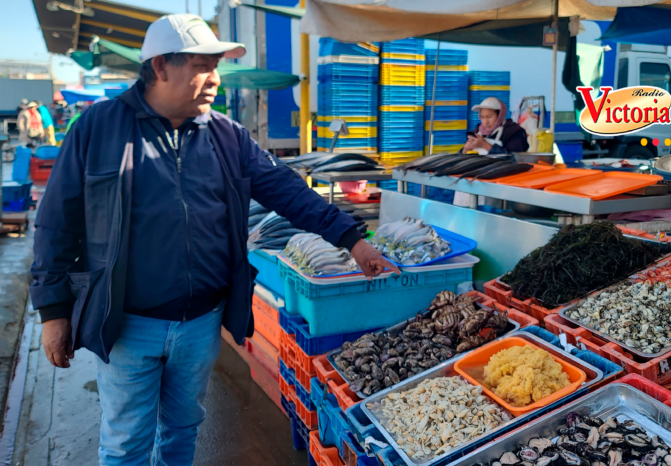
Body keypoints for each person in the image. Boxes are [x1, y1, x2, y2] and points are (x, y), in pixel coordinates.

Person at [30, 14, 398, 466]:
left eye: (217, 66)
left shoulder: (226, 135)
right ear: (162, 66)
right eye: (204, 65)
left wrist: (352, 239)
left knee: (183, 429)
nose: (215, 79)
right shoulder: (99, 128)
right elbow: (55, 224)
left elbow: (285, 190)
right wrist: (53, 312)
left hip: (201, 323)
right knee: (127, 442)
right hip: (126, 324)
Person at [463, 97, 529, 155]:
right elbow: (462, 156)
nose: (486, 122)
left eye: (489, 117)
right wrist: (465, 150)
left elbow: (514, 157)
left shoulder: (515, 132)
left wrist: (485, 145)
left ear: (500, 116)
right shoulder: (476, 132)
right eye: (482, 117)